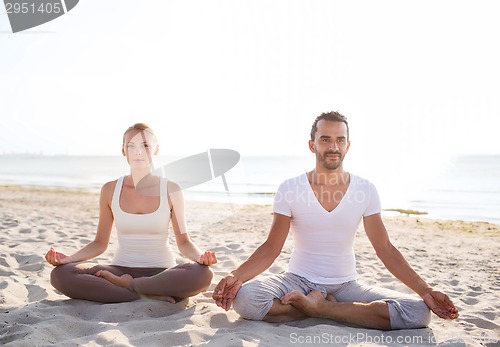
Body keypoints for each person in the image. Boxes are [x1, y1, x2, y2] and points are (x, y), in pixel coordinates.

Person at [213, 111, 459, 330]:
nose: (333, 146)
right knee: (246, 299)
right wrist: (237, 276)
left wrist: (426, 292)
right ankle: (319, 308)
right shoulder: (291, 188)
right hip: (297, 279)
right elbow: (271, 247)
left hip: (345, 286)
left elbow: (384, 249)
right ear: (312, 145)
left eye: (340, 139)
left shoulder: (365, 189)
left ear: (348, 145)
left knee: (417, 312)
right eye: (325, 139)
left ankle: (320, 309)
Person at [45, 123, 216, 303]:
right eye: (131, 146)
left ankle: (131, 287)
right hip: (119, 269)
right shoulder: (110, 190)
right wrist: (69, 259)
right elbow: (99, 243)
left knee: (203, 274)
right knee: (60, 274)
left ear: (156, 150)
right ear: (123, 151)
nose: (138, 152)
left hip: (162, 272)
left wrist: (200, 258)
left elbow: (184, 242)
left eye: (145, 145)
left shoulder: (171, 189)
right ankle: (146, 293)